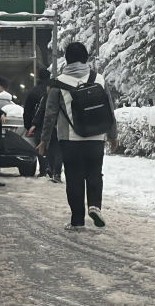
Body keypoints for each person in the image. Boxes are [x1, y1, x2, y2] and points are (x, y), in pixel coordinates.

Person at [40, 42, 119, 230]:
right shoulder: (98, 79)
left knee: (74, 178)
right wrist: (112, 135)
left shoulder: (58, 83)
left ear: (66, 59)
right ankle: (94, 206)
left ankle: (77, 221)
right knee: (95, 173)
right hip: (96, 138)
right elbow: (110, 109)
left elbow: (50, 114)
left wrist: (44, 140)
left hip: (69, 140)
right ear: (86, 59)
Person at [29, 85, 63, 183]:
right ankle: (57, 173)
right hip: (60, 127)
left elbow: (41, 111)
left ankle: (46, 169)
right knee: (58, 151)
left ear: (48, 88)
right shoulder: (63, 95)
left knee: (45, 148)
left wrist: (34, 123)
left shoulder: (47, 97)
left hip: (48, 127)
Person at [24, 69, 53, 177]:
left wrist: (29, 125)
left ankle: (43, 170)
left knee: (40, 146)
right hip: (53, 123)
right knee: (53, 146)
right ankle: (54, 169)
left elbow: (28, 109)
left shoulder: (33, 91)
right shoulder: (53, 89)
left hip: (39, 124)